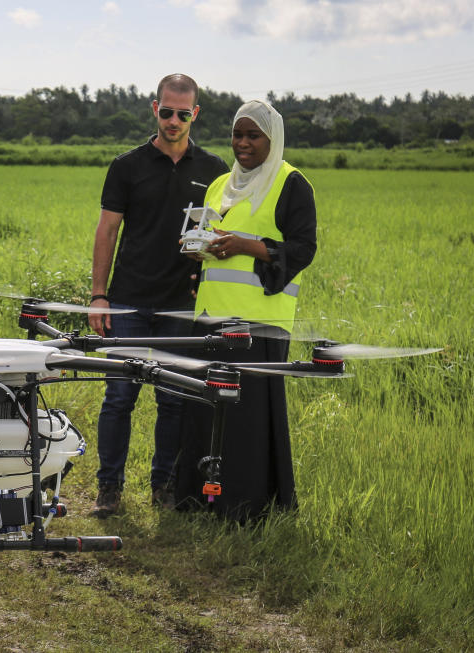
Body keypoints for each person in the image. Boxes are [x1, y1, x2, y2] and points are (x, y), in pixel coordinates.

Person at [88, 74, 229, 518]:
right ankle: (108, 490)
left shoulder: (214, 170)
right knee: (119, 397)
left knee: (172, 399)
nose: (173, 120)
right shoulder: (127, 165)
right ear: (154, 109)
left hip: (180, 305)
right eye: (166, 112)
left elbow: (222, 234)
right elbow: (107, 230)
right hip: (128, 301)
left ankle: (164, 488)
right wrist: (98, 295)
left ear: (195, 114)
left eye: (182, 114)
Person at [175, 99, 317, 522]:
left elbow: (303, 249)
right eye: (238, 134)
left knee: (247, 422)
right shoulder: (220, 185)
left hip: (259, 325)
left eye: (253, 135)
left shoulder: (291, 184)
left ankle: (244, 509)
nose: (243, 143)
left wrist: (244, 245)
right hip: (210, 319)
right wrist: (200, 249)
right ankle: (200, 501)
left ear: (272, 139)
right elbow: (209, 234)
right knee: (205, 412)